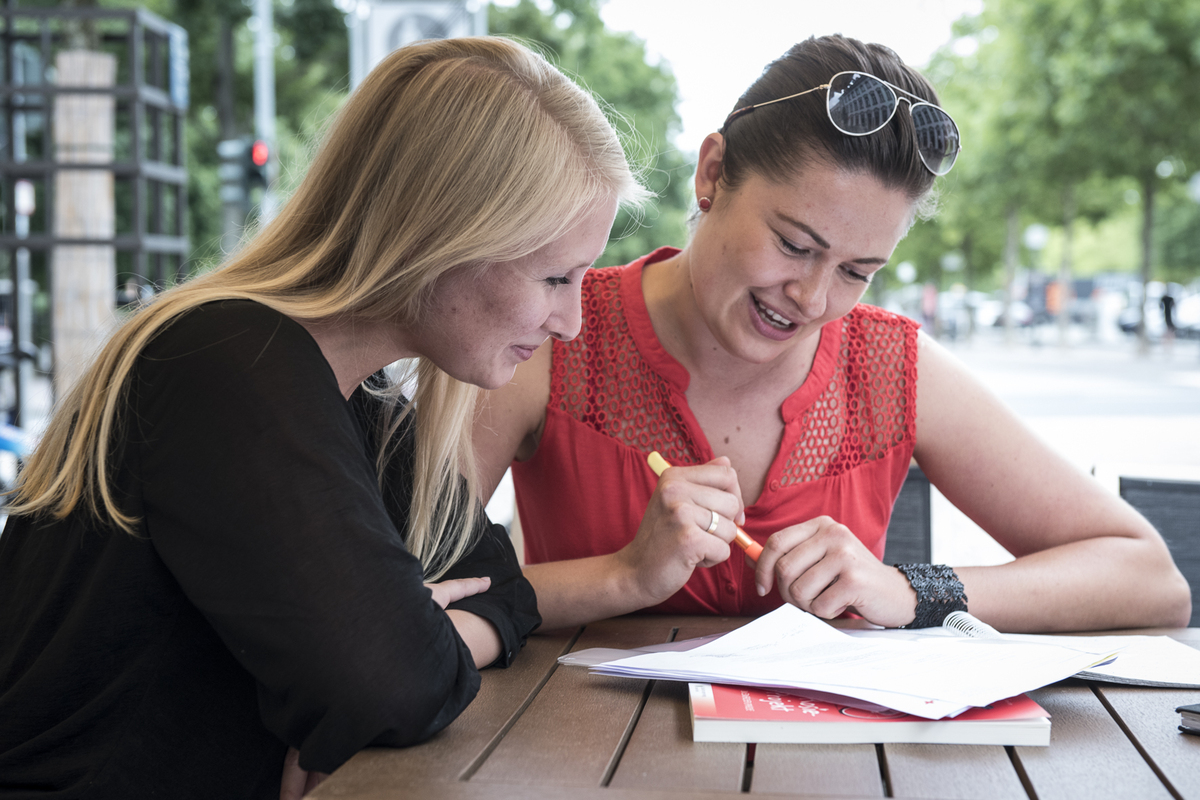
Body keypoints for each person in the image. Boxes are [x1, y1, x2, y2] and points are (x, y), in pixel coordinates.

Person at [0, 37, 646, 798]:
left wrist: (433, 629)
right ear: (444, 236)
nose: (571, 321)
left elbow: (501, 584)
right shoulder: (228, 364)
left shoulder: (361, 402)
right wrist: (410, 634)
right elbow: (391, 687)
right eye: (555, 277)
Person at [474, 35, 1191, 634]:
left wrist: (911, 590)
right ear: (712, 174)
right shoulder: (553, 331)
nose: (813, 299)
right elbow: (405, 598)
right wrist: (622, 576)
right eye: (794, 245)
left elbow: (1150, 577)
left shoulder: (890, 364)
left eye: (858, 270)